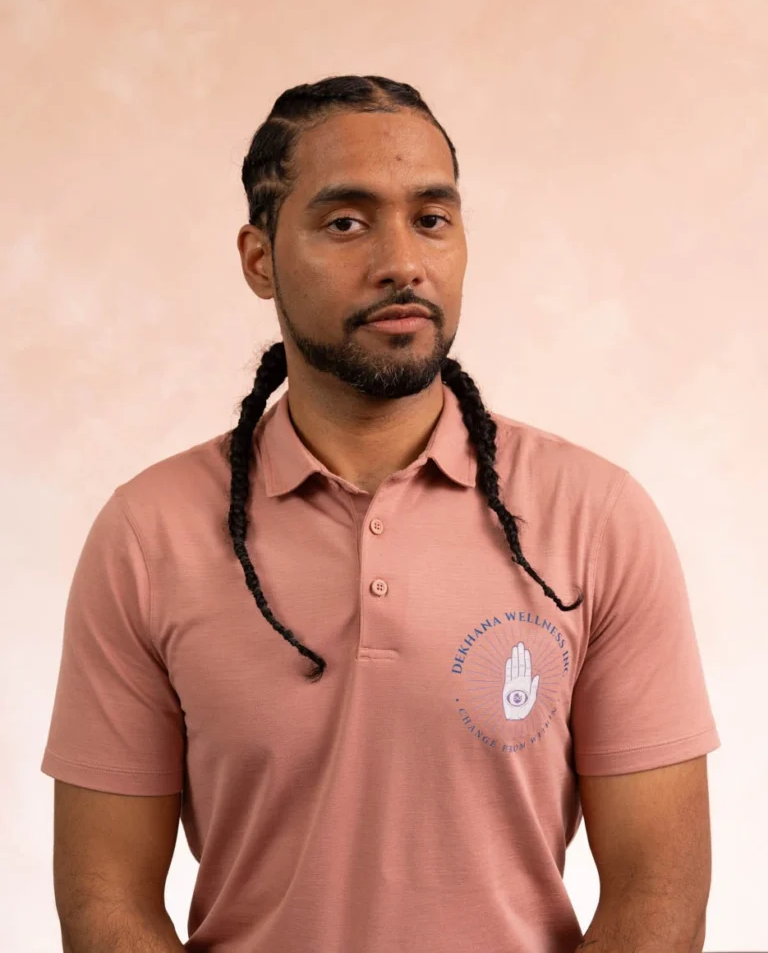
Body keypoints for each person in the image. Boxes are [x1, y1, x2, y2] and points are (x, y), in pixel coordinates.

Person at [41, 74, 720, 953]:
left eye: (431, 218)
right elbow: (105, 904)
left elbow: (660, 896)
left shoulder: (596, 519)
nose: (403, 260)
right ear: (259, 259)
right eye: (346, 222)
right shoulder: (147, 535)